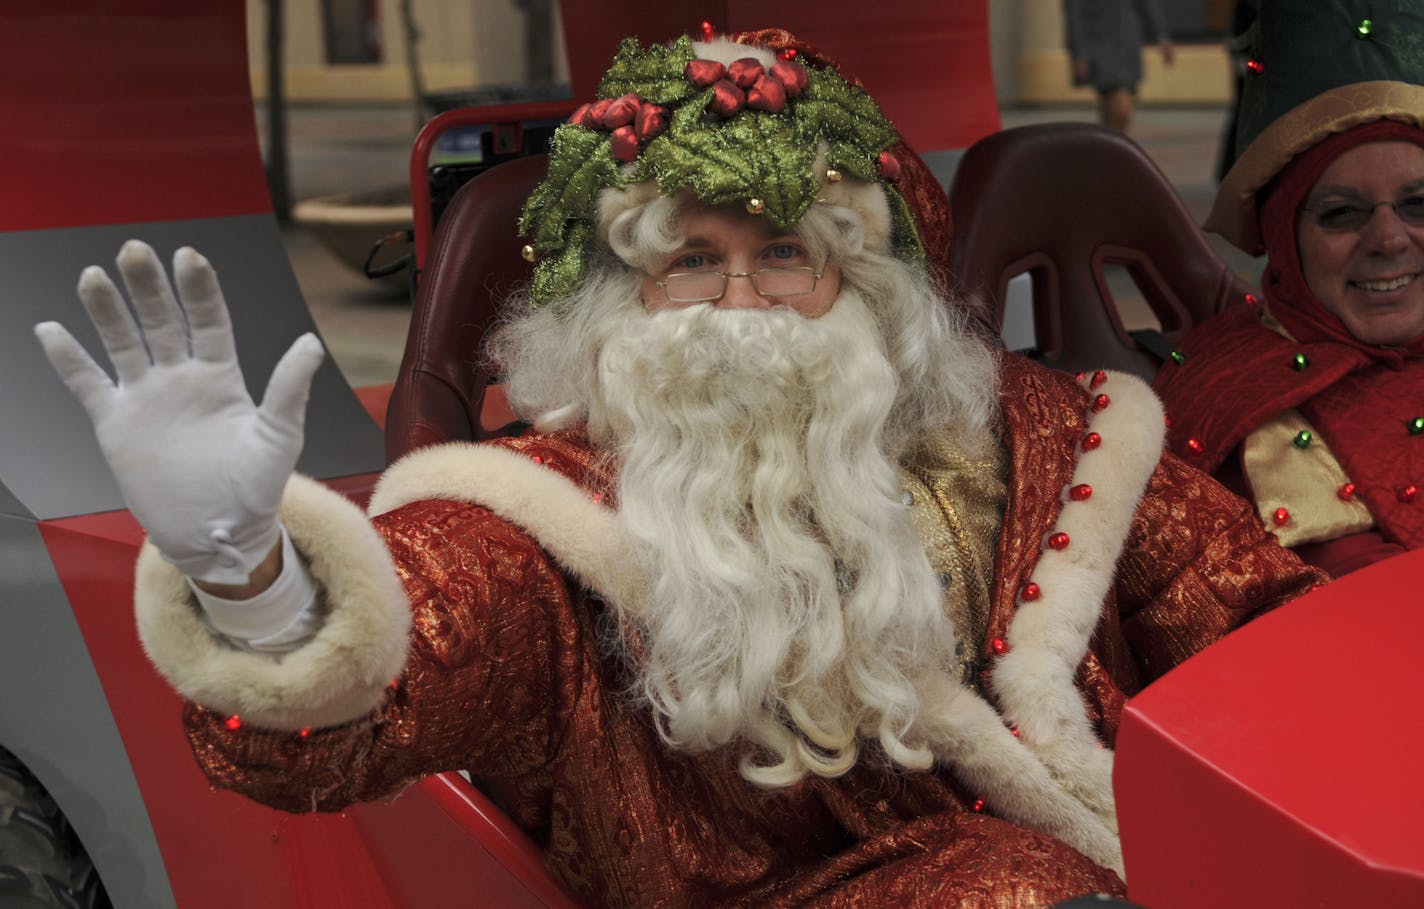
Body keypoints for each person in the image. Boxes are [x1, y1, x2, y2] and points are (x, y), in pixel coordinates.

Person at [35, 30, 1321, 907]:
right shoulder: (543, 516)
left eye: (782, 257)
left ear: (862, 284)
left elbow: (1266, 646)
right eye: (690, 263)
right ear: (622, 304)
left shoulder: (1051, 438)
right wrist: (246, 571)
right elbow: (366, 702)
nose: (740, 304)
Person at [1153, 0, 1424, 578]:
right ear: (1285, 236)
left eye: (1418, 205)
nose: (1388, 239)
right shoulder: (1223, 398)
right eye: (1342, 213)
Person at [1063, 0, 1175, 134]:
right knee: (1117, 107)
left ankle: (1111, 147)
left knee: (1115, 110)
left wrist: (1161, 36)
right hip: (1098, 44)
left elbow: (1147, 4)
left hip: (1127, 42)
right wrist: (1079, 51)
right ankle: (1113, 146)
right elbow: (1074, 13)